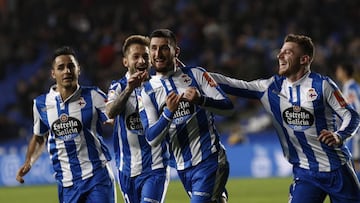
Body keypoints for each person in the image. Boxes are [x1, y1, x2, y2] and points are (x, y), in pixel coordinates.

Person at [210, 34, 360, 203]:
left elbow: (351, 115)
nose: (279, 56)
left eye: (287, 52)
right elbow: (233, 84)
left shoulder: (322, 85)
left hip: (337, 170)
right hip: (305, 174)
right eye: (281, 52)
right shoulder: (270, 88)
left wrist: (339, 136)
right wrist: (197, 76)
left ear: (304, 59)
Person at [138, 28, 233, 203]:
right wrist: (168, 113)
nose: (158, 53)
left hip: (209, 159)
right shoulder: (147, 91)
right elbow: (151, 138)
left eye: (164, 48)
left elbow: (227, 107)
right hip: (182, 167)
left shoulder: (196, 74)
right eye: (153, 48)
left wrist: (201, 100)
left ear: (176, 51)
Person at [16, 46, 116, 203]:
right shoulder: (41, 104)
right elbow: (39, 137)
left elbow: (114, 118)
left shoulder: (93, 95)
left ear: (78, 70)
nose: (67, 71)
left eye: (71, 66)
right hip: (67, 184)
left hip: (97, 178)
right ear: (53, 73)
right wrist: (29, 161)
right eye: (60, 67)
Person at [106, 35, 169, 203]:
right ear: (125, 61)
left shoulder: (159, 86)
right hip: (126, 170)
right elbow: (110, 112)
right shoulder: (117, 86)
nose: (141, 61)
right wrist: (129, 90)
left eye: (145, 56)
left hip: (155, 167)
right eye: (136, 56)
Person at [335, 62, 360, 180]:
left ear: (344, 72)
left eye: (339, 70)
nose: (337, 73)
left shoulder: (350, 89)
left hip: (355, 133)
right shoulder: (352, 87)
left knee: (355, 163)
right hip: (354, 132)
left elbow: (356, 111)